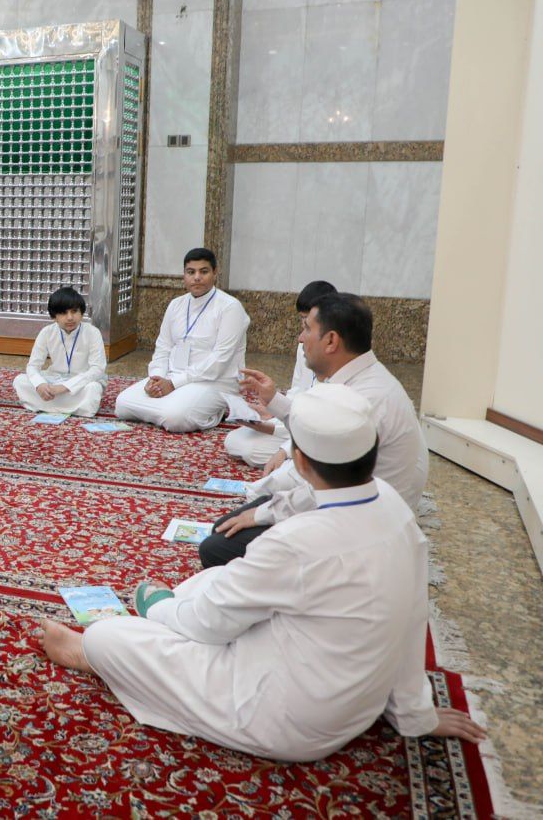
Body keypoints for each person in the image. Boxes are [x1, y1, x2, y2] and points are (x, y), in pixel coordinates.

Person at [37, 385, 486, 762]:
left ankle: (93, 653)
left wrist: (156, 606)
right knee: (214, 580)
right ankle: (163, 618)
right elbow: (413, 616)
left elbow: (208, 625)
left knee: (110, 635)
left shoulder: (296, 542)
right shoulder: (392, 505)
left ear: (300, 463)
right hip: (356, 703)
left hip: (286, 719)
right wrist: (414, 713)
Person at [200, 292, 429, 568]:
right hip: (356, 504)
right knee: (227, 527)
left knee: (216, 548)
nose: (300, 338)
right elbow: (315, 432)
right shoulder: (364, 377)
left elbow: (328, 489)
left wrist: (264, 513)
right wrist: (274, 401)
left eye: (307, 329)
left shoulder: (364, 398)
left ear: (331, 341)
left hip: (361, 528)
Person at [115, 248, 250, 432]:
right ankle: (175, 406)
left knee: (175, 418)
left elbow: (219, 361)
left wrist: (174, 384)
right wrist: (156, 378)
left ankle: (213, 413)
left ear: (215, 273)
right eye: (191, 272)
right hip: (173, 376)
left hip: (215, 381)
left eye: (203, 271)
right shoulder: (176, 304)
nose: (197, 278)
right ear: (184, 275)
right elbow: (163, 347)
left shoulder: (230, 307)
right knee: (122, 404)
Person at [223, 281, 335, 467]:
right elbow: (297, 391)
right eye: (302, 319)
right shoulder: (303, 346)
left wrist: (273, 427)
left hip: (317, 433)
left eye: (307, 321)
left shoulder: (337, 358)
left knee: (251, 451)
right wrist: (272, 410)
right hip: (295, 424)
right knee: (234, 441)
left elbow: (323, 422)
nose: (302, 331)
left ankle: (292, 457)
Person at [11, 286, 107, 417]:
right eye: (63, 313)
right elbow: (33, 366)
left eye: (74, 311)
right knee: (20, 380)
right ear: (54, 316)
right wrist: (40, 385)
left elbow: (97, 369)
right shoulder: (47, 332)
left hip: (81, 383)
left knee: (93, 388)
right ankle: (70, 407)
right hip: (54, 381)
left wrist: (65, 387)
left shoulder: (93, 332)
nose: (70, 318)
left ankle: (46, 406)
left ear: (82, 312)